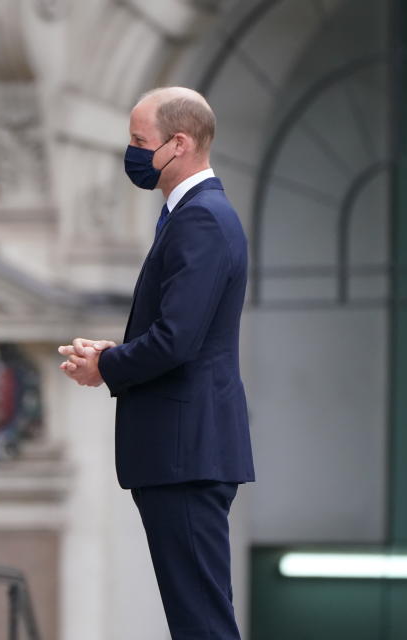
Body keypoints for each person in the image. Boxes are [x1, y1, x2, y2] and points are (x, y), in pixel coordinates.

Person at [58, 87, 254, 639]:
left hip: (186, 451)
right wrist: (111, 353)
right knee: (196, 616)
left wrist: (107, 366)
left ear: (179, 143)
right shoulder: (191, 215)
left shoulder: (202, 219)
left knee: (202, 622)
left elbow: (176, 340)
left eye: (140, 142)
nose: (133, 154)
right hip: (183, 450)